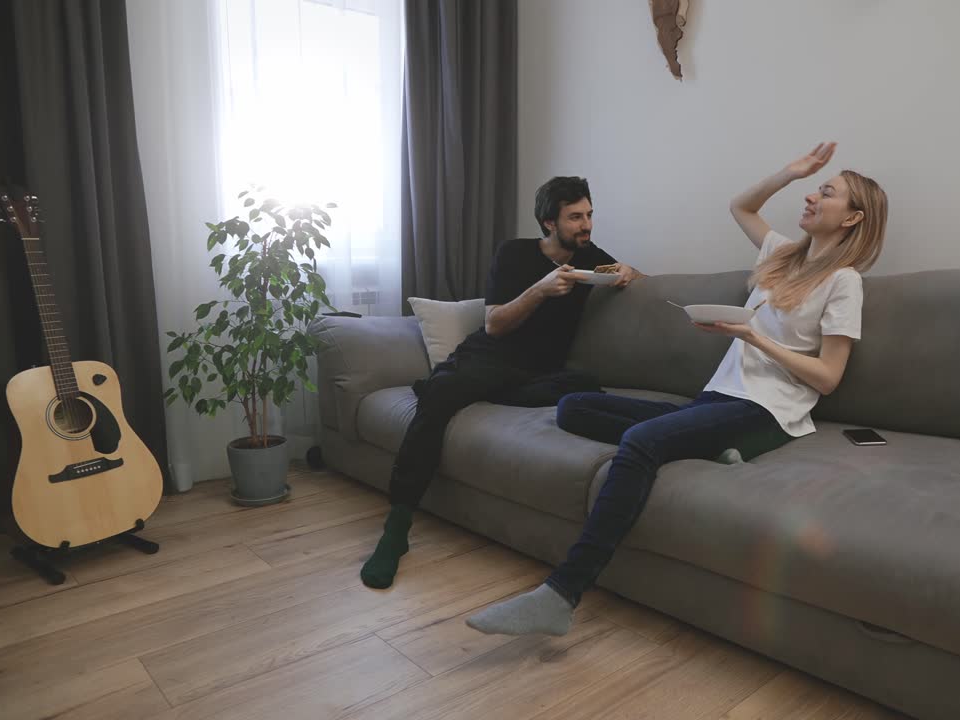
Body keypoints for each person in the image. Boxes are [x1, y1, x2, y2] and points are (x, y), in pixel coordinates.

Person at [465, 141, 887, 636]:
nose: (813, 196)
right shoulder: (782, 255)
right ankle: (714, 448)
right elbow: (741, 206)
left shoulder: (843, 282)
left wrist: (753, 336)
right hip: (719, 398)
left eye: (827, 192)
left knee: (641, 442)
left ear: (852, 218)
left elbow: (828, 377)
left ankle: (560, 594)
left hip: (767, 409)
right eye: (815, 188)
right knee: (573, 406)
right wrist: (790, 172)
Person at [360, 176, 643, 589]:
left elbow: (637, 279)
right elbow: (494, 324)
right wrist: (540, 290)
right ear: (549, 222)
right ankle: (397, 527)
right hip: (492, 356)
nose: (586, 225)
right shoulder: (514, 253)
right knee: (441, 396)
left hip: (540, 373)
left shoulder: (590, 258)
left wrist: (629, 272)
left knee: (584, 387)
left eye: (589, 215)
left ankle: (448, 385)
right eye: (575, 217)